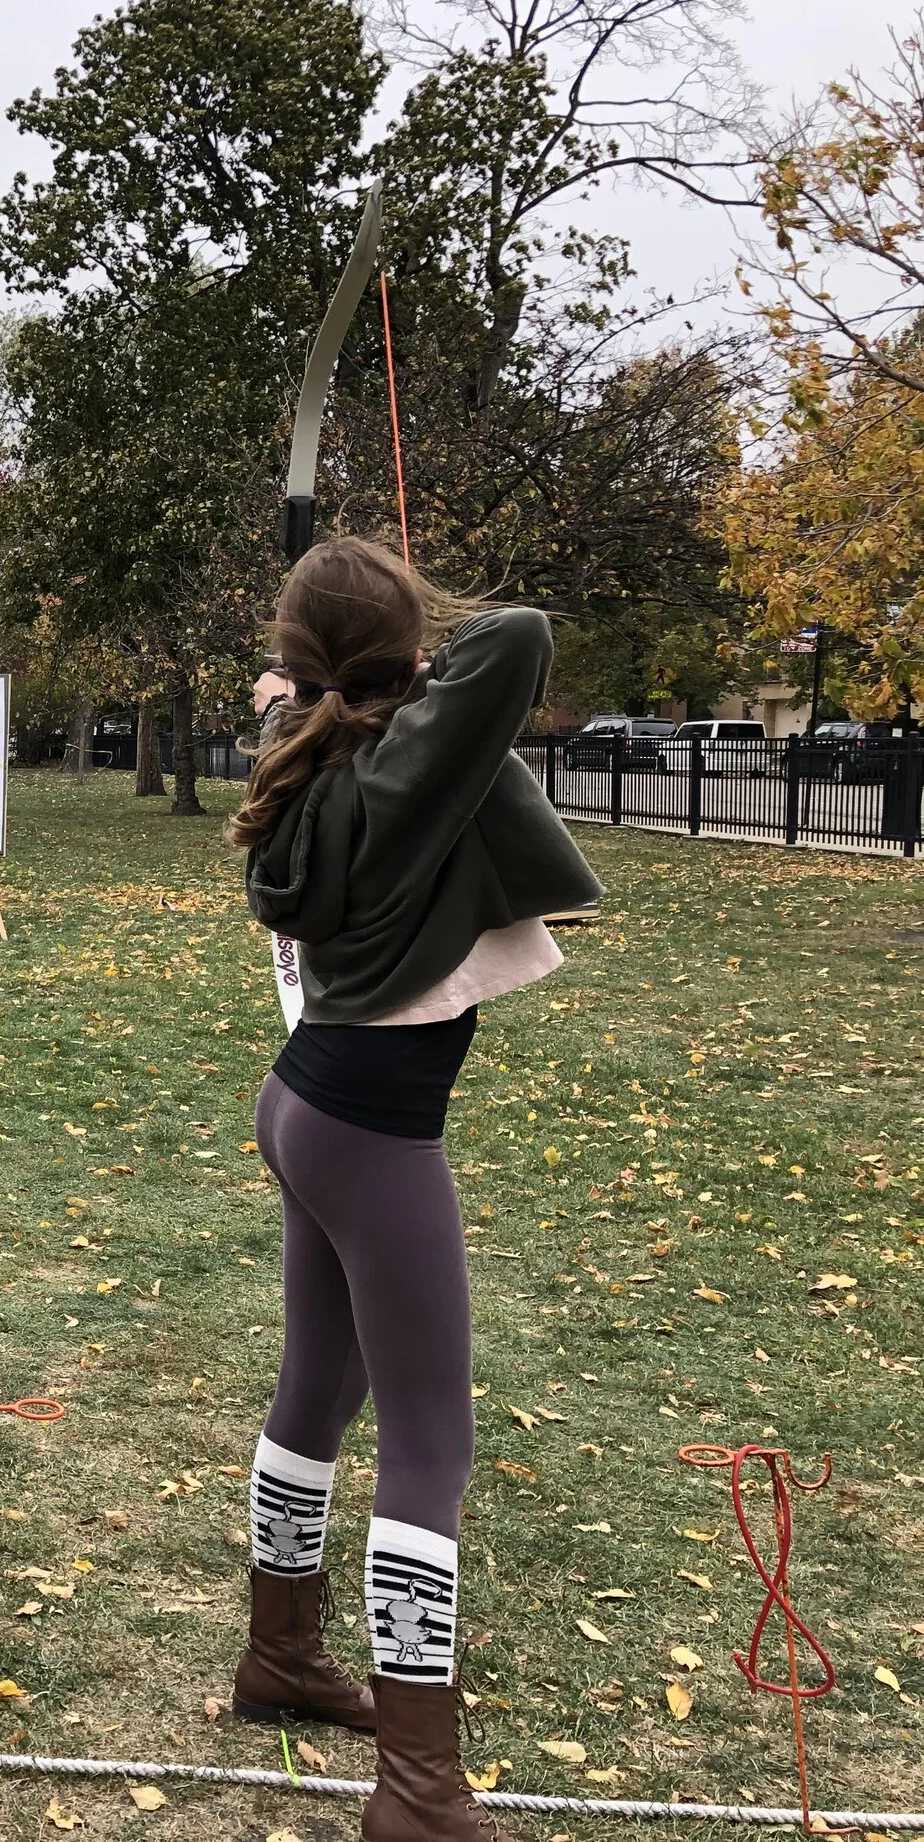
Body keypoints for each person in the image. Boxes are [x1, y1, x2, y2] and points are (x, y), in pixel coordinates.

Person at [230, 539, 600, 1842]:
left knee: (319, 1390)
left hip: (311, 1104)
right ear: (396, 655)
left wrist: (312, 683)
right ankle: (420, 1784)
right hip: (371, 1130)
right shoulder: (394, 766)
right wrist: (407, 651)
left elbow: (411, 682)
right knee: (430, 1443)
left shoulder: (317, 761)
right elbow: (520, 631)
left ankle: (279, 1653)